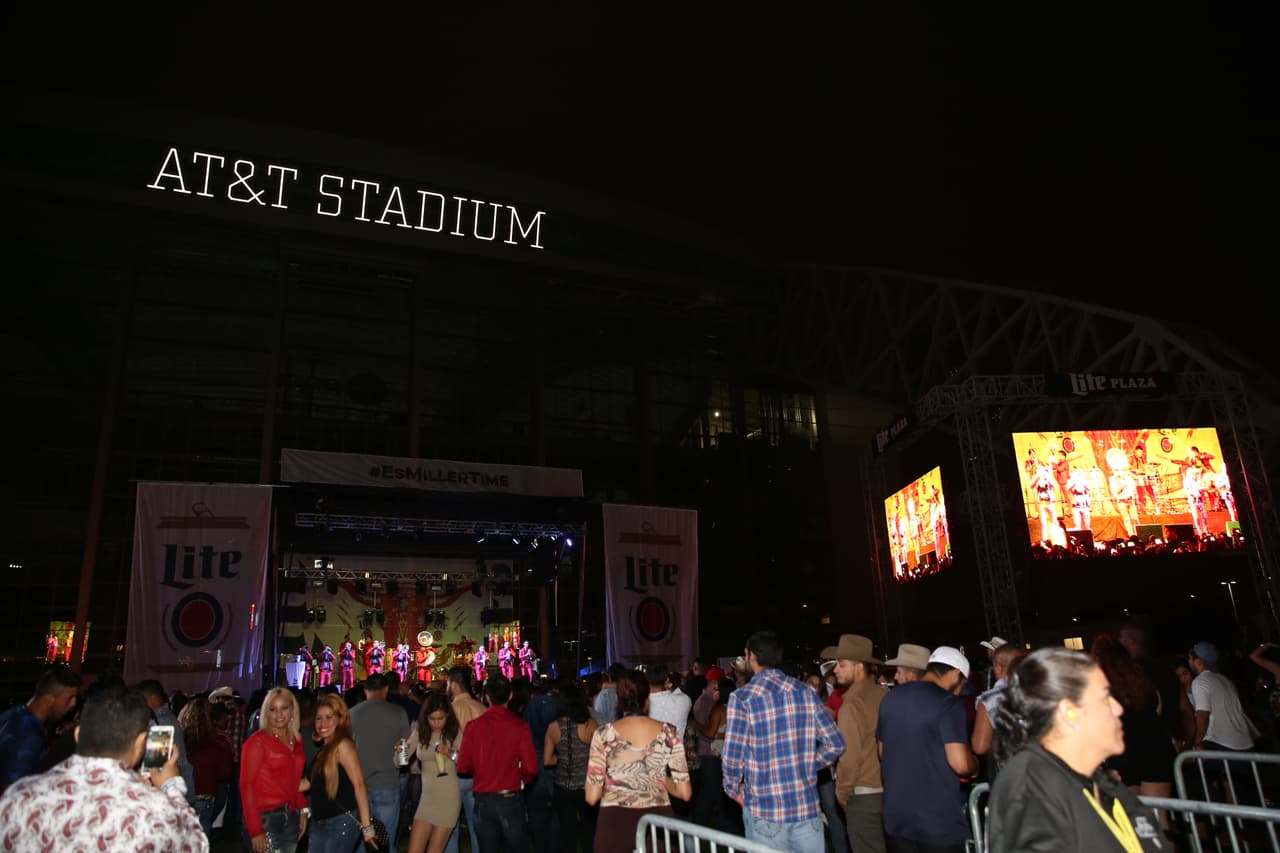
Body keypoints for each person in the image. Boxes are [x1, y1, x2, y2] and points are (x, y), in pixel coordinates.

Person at [987, 647, 1168, 851]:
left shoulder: (1099, 782)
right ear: (1069, 713)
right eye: (1105, 697)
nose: (1118, 708)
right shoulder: (1031, 788)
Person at [0, 682, 207, 852]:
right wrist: (171, 786)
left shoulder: (19, 795)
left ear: (78, 734)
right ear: (139, 744)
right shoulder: (153, 809)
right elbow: (196, 845)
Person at [721, 631, 845, 853]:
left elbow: (732, 757)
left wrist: (733, 790)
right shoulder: (805, 692)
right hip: (806, 809)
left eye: (745, 655)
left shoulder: (743, 698)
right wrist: (808, 765)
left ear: (752, 656)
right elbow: (835, 743)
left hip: (765, 811)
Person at [876, 645, 976, 853]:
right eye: (963, 682)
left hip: (897, 820)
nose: (961, 688)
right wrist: (974, 764)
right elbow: (960, 765)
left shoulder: (890, 698)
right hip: (937, 823)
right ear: (956, 674)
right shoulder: (949, 703)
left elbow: (882, 752)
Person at [585, 669, 692, 851]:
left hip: (615, 822)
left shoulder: (603, 735)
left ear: (618, 700)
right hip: (657, 824)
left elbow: (591, 797)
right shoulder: (669, 732)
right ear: (647, 699)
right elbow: (685, 793)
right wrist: (656, 776)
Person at [454, 675, 538, 853]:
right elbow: (531, 767)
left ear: (487, 697)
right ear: (510, 696)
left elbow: (463, 767)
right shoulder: (519, 726)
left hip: (483, 800)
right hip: (510, 798)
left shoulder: (474, 726)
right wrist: (521, 779)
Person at [1090, 634, 1176, 807]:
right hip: (1154, 747)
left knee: (1133, 815)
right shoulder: (1142, 678)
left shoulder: (1099, 685)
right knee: (1158, 813)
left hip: (1124, 751)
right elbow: (1158, 709)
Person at [825, 634, 887, 853]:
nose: (835, 670)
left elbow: (848, 757)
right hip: (888, 790)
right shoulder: (883, 695)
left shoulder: (852, 704)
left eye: (842, 664)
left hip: (862, 794)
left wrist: (842, 793)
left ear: (859, 666)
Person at [1187, 641, 1259, 804]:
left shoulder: (1200, 681)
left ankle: (1214, 816)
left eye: (1190, 658)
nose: (1189, 661)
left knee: (1197, 782)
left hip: (1221, 743)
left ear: (1198, 661)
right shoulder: (1225, 680)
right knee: (1247, 794)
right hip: (1244, 742)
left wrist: (1196, 742)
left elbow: (1202, 715)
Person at [308, 692, 379, 853]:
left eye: (329, 717)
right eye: (319, 718)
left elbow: (359, 785)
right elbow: (307, 783)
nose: (323, 723)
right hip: (320, 821)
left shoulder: (343, 746)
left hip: (340, 821)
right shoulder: (324, 749)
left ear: (340, 719)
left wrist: (367, 826)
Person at [241, 686, 308, 853]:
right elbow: (246, 786)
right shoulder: (257, 742)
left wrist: (303, 808)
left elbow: (293, 780)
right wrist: (255, 830)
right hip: (265, 817)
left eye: (284, 708)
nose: (279, 714)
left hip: (291, 814)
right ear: (266, 712)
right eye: (273, 709)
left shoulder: (296, 740)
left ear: (292, 709)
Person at [349, 673, 412, 853]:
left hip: (359, 784)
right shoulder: (398, 713)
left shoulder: (352, 714)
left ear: (365, 690)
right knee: (386, 839)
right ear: (386, 690)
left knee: (360, 840)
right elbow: (404, 749)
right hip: (387, 782)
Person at [0, 665, 82, 794]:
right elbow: (11, 790)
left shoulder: (15, 713)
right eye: (69, 698)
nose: (73, 704)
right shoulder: (29, 736)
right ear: (48, 699)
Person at [543, 681, 599, 853]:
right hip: (586, 787)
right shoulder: (591, 725)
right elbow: (600, 757)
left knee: (568, 834)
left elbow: (547, 760)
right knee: (589, 831)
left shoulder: (553, 727)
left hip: (563, 787)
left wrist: (564, 758)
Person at [401, 693, 461, 853]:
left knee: (434, 850)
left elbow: (467, 762)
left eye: (440, 718)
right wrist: (400, 751)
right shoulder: (420, 732)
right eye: (432, 719)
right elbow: (400, 761)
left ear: (447, 716)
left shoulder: (454, 732)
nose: (436, 723)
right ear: (425, 717)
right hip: (426, 799)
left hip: (448, 798)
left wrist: (450, 752)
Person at [179, 695, 235, 841]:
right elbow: (225, 772)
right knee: (202, 840)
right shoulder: (217, 741)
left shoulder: (181, 739)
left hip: (185, 794)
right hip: (205, 795)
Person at [443, 666, 486, 853]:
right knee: (478, 826)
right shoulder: (482, 708)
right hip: (478, 773)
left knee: (449, 827)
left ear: (453, 685)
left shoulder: (452, 710)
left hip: (455, 770)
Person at [137, 678, 197, 807]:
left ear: (152, 698)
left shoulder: (160, 724)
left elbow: (155, 766)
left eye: (142, 700)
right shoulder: (167, 718)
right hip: (180, 786)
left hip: (172, 791)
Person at [971, 644, 1027, 772]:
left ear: (998, 668)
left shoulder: (990, 699)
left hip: (1011, 771)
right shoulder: (1042, 690)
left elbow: (980, 747)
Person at [691, 675, 734, 831]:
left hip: (715, 756)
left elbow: (710, 733)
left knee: (709, 793)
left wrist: (696, 724)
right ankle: (726, 825)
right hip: (730, 755)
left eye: (717, 689)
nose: (715, 692)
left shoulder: (719, 709)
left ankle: (699, 826)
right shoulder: (736, 708)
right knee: (722, 793)